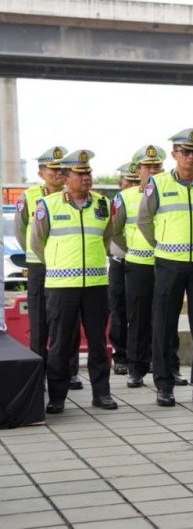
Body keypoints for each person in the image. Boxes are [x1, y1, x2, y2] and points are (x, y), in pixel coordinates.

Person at [138, 129, 193, 406]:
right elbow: (144, 221)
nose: (191, 156)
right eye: (185, 151)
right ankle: (164, 385)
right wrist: (163, 244)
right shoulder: (157, 184)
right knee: (163, 325)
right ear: (174, 154)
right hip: (168, 264)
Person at [30, 149, 118, 413]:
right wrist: (60, 264)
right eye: (80, 174)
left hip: (95, 286)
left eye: (88, 172)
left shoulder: (102, 204)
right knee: (59, 344)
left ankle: (101, 393)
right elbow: (37, 243)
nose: (87, 178)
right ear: (66, 177)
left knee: (98, 343)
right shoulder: (48, 205)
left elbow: (106, 237)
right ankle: (57, 397)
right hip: (61, 287)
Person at [112, 145, 185, 388]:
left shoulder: (170, 190)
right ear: (138, 170)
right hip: (139, 265)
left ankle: (169, 367)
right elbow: (115, 231)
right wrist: (133, 247)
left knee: (168, 318)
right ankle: (136, 368)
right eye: (147, 167)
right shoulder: (125, 197)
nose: (152, 171)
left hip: (168, 264)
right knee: (138, 318)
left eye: (157, 167)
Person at [14, 146, 83, 390]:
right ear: (41, 172)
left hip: (67, 270)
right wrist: (41, 256)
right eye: (52, 170)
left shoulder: (74, 197)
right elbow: (22, 232)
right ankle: (39, 373)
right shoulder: (29, 197)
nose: (57, 174)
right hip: (39, 267)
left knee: (68, 322)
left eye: (61, 170)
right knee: (40, 322)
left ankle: (70, 371)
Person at [107, 162, 138, 376]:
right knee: (117, 311)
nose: (132, 186)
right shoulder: (113, 204)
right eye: (129, 181)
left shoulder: (147, 201)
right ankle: (121, 357)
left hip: (142, 263)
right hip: (119, 261)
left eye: (136, 181)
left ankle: (143, 356)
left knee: (141, 312)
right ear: (120, 183)